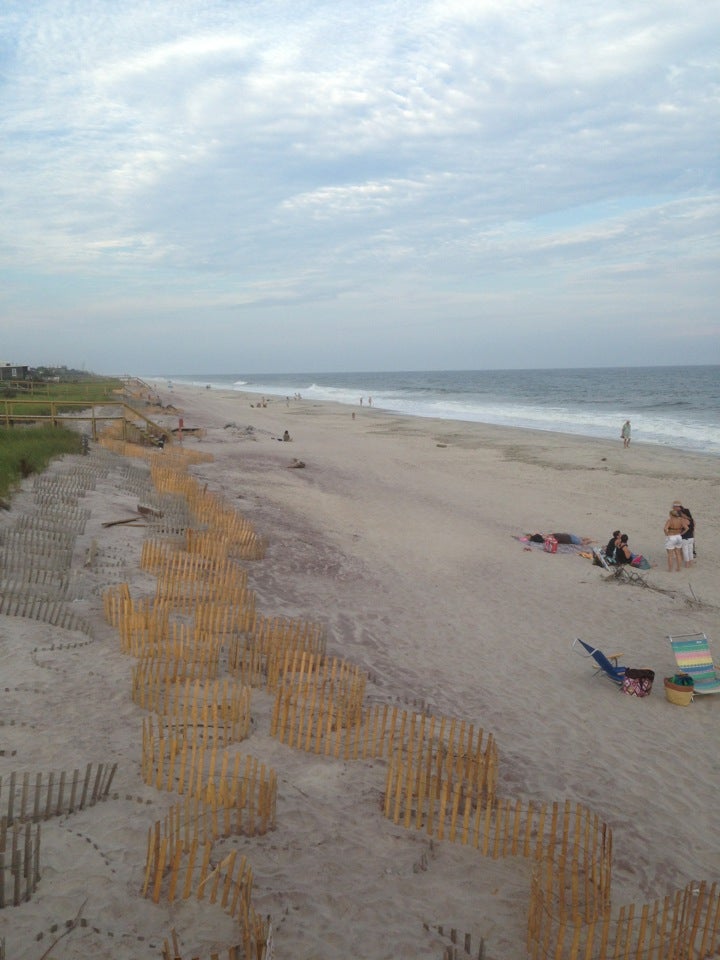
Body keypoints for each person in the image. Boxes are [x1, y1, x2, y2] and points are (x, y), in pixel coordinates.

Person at [673, 500, 695, 567]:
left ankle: (687, 563)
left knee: (685, 551)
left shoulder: (683, 520)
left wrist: (681, 534)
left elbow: (685, 528)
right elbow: (693, 529)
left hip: (685, 537)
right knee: (690, 551)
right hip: (691, 537)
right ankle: (691, 562)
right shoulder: (692, 520)